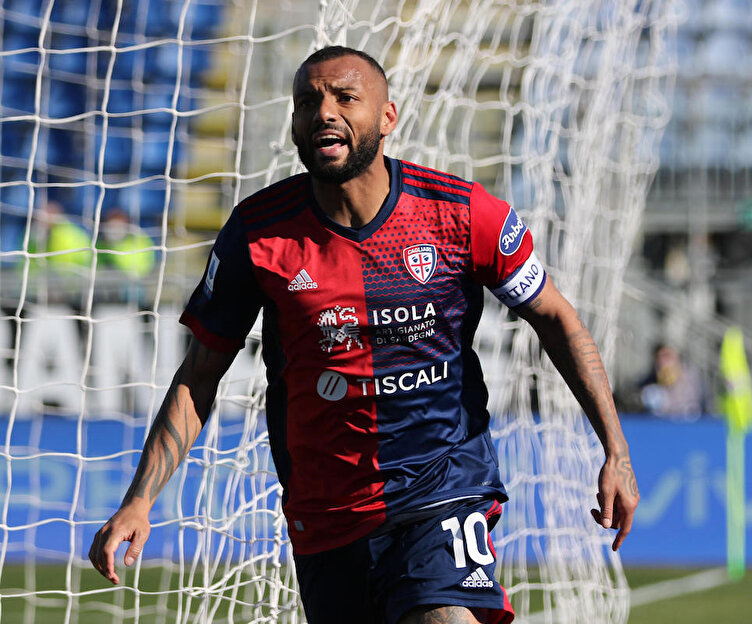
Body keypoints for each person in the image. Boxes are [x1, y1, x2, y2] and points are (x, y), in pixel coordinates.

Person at [88, 46, 639, 624]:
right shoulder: (258, 232)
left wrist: (616, 451)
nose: (324, 112)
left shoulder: (461, 214)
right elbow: (200, 376)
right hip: (326, 512)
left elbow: (557, 318)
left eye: (345, 98)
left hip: (441, 487)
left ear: (388, 116)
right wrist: (140, 500)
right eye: (308, 102)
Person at [638, 343, 709, 419]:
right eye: (659, 357)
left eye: (667, 356)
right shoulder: (649, 382)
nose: (663, 361)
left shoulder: (692, 378)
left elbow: (693, 407)